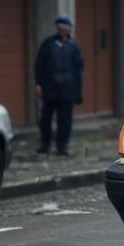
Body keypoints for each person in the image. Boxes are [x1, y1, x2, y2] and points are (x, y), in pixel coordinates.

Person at [33, 15, 84, 156]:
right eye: (60, 28)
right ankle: (45, 144)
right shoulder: (48, 43)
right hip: (50, 87)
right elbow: (39, 65)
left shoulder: (73, 46)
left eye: (66, 28)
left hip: (68, 89)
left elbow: (79, 69)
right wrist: (38, 83)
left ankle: (62, 147)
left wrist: (78, 93)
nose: (63, 31)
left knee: (65, 120)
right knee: (45, 119)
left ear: (69, 30)